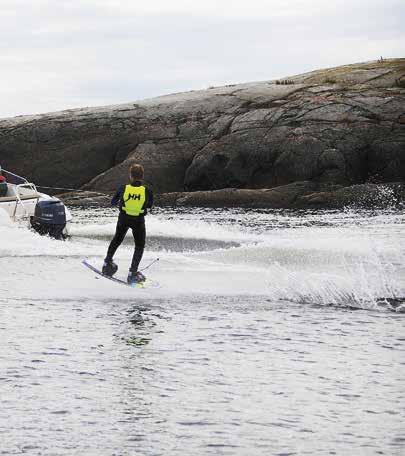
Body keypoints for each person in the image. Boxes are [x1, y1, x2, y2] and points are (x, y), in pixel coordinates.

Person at [103, 163, 153, 284]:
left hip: (124, 219)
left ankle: (107, 264)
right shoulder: (147, 190)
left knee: (117, 240)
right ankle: (132, 273)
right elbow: (149, 205)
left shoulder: (123, 188)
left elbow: (113, 202)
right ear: (142, 176)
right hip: (138, 221)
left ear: (130, 176)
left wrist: (121, 201)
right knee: (139, 246)